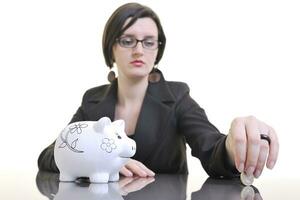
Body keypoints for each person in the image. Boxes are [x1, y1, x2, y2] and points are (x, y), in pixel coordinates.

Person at [38, 2, 279, 179]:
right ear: (111, 48)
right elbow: (51, 154)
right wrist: (97, 163)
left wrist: (236, 143)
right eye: (127, 40)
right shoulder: (92, 100)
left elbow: (212, 150)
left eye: (149, 41)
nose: (139, 50)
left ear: (157, 49)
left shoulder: (177, 97)